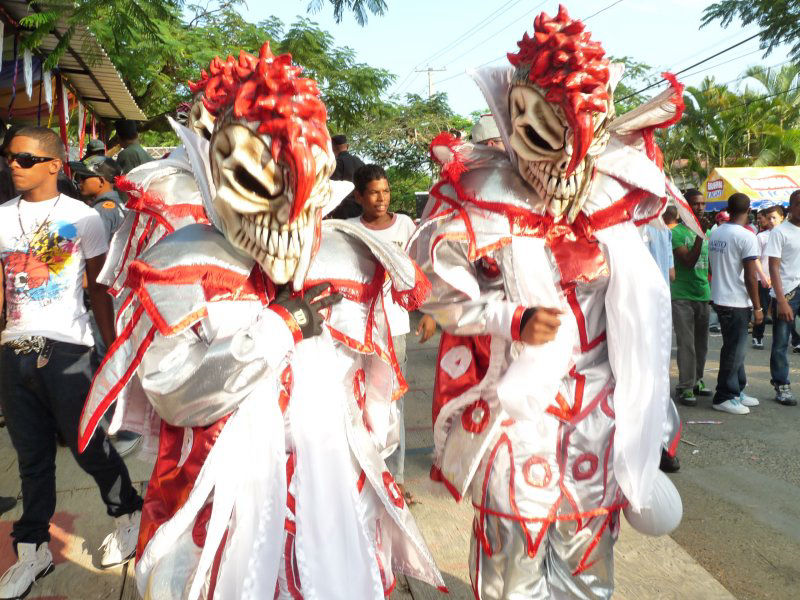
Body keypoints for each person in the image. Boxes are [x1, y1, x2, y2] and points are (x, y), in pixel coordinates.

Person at [78, 45, 445, 597]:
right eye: (253, 181)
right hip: (225, 493)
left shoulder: (350, 258)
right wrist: (276, 329)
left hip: (329, 490)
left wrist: (366, 469)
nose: (285, 215)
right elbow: (175, 393)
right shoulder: (180, 264)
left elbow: (374, 398)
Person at [414, 7, 686, 596]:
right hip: (517, 415)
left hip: (600, 418)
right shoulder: (478, 199)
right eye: (531, 130)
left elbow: (642, 324)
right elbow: (434, 308)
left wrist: (653, 417)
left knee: (588, 568)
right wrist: (508, 317)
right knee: (513, 567)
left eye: (563, 130)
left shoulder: (618, 200)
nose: (550, 160)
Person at [0, 126, 143, 599]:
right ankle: (34, 549)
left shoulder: (83, 218)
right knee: (32, 458)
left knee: (88, 445)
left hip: (67, 347)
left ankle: (128, 515)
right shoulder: (1, 218)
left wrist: (112, 346)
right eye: (9, 158)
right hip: (14, 349)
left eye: (23, 158)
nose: (12, 166)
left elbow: (100, 288)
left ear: (52, 166)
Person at [347, 164, 417, 502]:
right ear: (358, 196)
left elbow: (421, 271)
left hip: (396, 328)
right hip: (358, 329)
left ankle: (395, 476)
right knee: (360, 399)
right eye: (374, 192)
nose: (381, 198)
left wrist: (429, 314)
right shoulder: (347, 231)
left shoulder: (405, 225)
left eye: (386, 191)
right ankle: (363, 470)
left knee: (392, 402)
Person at [708, 193, 762, 415]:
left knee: (735, 348)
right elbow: (751, 277)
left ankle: (737, 390)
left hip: (720, 296)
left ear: (728, 209)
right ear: (748, 210)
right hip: (736, 301)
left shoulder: (717, 232)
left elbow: (712, 267)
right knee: (734, 349)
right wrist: (758, 308)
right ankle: (724, 395)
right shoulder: (746, 236)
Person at [671, 189, 712, 405]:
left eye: (702, 204)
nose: (700, 207)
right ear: (685, 206)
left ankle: (697, 380)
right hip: (682, 297)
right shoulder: (676, 233)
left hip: (703, 294)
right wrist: (699, 235)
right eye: (695, 204)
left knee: (702, 344)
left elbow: (709, 265)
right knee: (686, 344)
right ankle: (685, 386)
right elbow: (687, 261)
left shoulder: (709, 233)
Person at [766, 190, 800, 406]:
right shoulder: (780, 232)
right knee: (780, 342)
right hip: (787, 292)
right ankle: (782, 384)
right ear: (790, 207)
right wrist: (781, 300)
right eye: (799, 204)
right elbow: (773, 267)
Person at [69, 156, 126, 241]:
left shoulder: (102, 210)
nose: (79, 182)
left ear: (101, 181)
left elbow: (96, 250)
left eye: (83, 178)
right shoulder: (116, 203)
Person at [753, 203, 784, 348]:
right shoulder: (761, 237)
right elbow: (756, 258)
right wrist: (763, 276)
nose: (771, 221)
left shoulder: (787, 235)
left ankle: (795, 340)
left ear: (782, 218)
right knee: (763, 309)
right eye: (769, 218)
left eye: (774, 218)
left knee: (785, 310)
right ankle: (757, 336)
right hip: (764, 279)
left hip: (783, 279)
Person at [328, 133, 365, 219]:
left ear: (333, 147)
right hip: (362, 208)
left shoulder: (336, 163)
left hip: (343, 209)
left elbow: (332, 188)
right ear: (347, 146)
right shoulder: (360, 162)